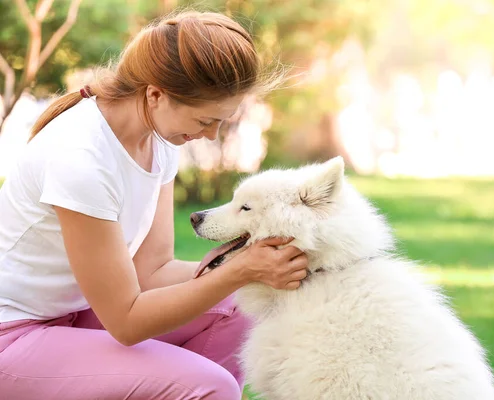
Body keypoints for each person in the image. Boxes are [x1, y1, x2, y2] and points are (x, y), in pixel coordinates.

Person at [0, 10, 308, 400]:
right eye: (204, 120)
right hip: (13, 335)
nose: (210, 135)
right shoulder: (81, 158)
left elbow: (152, 271)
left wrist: (252, 264)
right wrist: (239, 271)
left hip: (74, 316)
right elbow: (126, 322)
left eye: (221, 123)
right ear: (156, 94)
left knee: (242, 305)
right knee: (208, 384)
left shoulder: (159, 142)